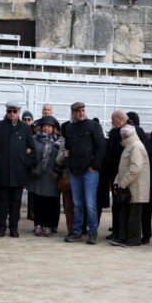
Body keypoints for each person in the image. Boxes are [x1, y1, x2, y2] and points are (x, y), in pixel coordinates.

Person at [0, 102, 35, 237]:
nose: (11, 114)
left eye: (14, 111)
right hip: (2, 171)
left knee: (16, 203)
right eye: (9, 111)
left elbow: (31, 148)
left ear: (19, 112)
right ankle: (1, 227)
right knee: (2, 202)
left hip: (18, 172)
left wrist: (24, 162)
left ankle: (14, 227)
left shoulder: (25, 128)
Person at [62, 102, 105, 244]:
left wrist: (94, 166)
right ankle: (77, 232)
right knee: (77, 203)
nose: (81, 113)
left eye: (83, 110)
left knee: (90, 203)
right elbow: (67, 148)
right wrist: (69, 163)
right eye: (78, 111)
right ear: (73, 113)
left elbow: (101, 147)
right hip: (75, 171)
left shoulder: (93, 125)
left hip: (89, 171)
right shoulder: (69, 128)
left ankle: (92, 232)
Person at [109, 125, 150, 247]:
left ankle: (134, 239)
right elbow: (123, 168)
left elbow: (135, 169)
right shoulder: (130, 146)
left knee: (134, 216)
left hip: (136, 188)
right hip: (128, 187)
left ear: (124, 135)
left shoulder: (136, 146)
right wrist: (117, 182)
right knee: (125, 213)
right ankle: (123, 237)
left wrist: (122, 183)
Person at [29, 116, 64, 237]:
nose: (46, 128)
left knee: (51, 202)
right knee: (38, 201)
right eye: (44, 126)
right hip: (38, 175)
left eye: (49, 126)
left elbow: (63, 158)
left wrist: (58, 171)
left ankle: (49, 225)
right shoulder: (34, 139)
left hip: (52, 175)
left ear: (54, 128)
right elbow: (30, 155)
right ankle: (38, 224)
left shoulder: (60, 141)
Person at [103, 110, 128, 240]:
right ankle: (116, 230)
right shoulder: (113, 133)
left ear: (118, 119)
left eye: (113, 119)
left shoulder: (132, 131)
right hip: (114, 174)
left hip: (126, 175)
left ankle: (123, 232)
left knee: (124, 203)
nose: (112, 122)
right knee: (116, 204)